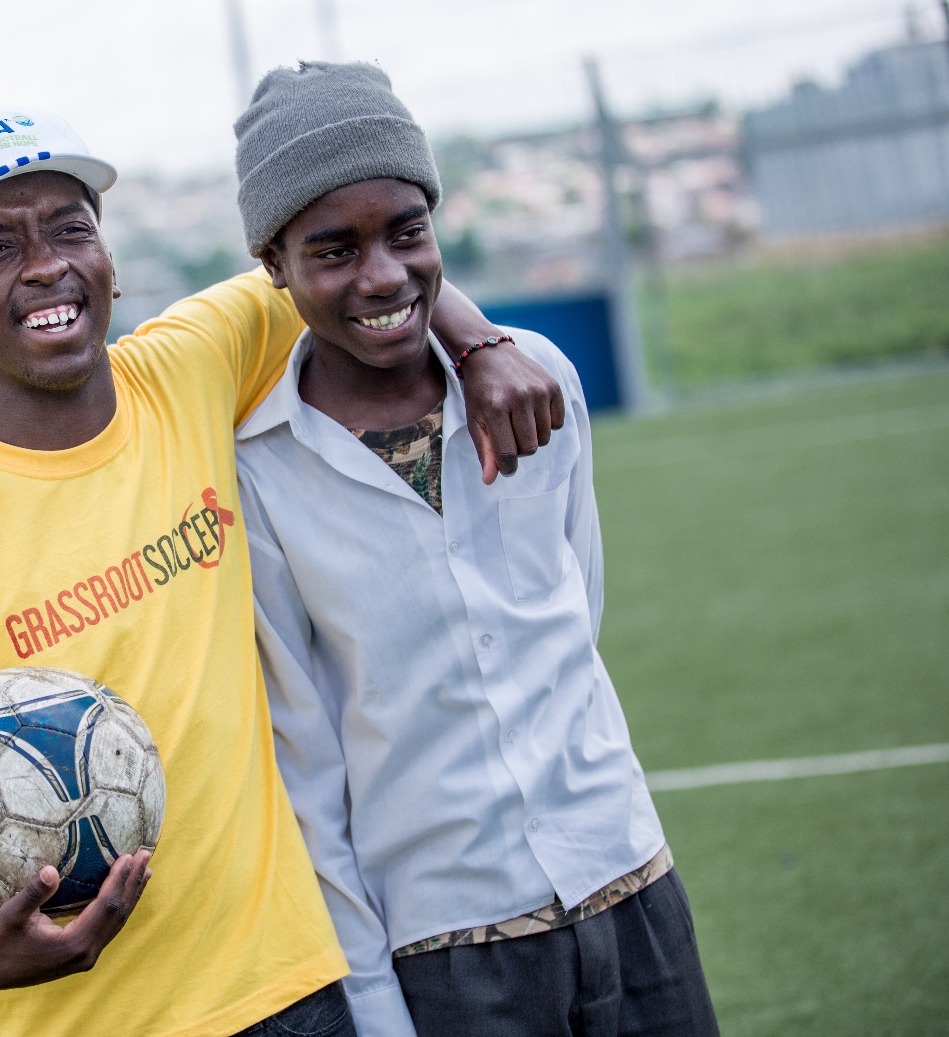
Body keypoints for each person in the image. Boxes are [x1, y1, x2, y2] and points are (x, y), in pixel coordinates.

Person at [0, 103, 563, 1037]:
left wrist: (478, 343)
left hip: (294, 989)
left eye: (70, 228)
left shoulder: (189, 367)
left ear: (108, 258)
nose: (45, 264)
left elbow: (359, 266)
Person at [232, 62, 720, 1037]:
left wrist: (485, 343)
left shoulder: (539, 383)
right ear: (274, 263)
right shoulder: (260, 471)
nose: (381, 274)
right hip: (451, 948)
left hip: (629, 881)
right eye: (334, 249)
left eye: (406, 232)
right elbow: (310, 759)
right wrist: (374, 1004)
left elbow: (576, 610)